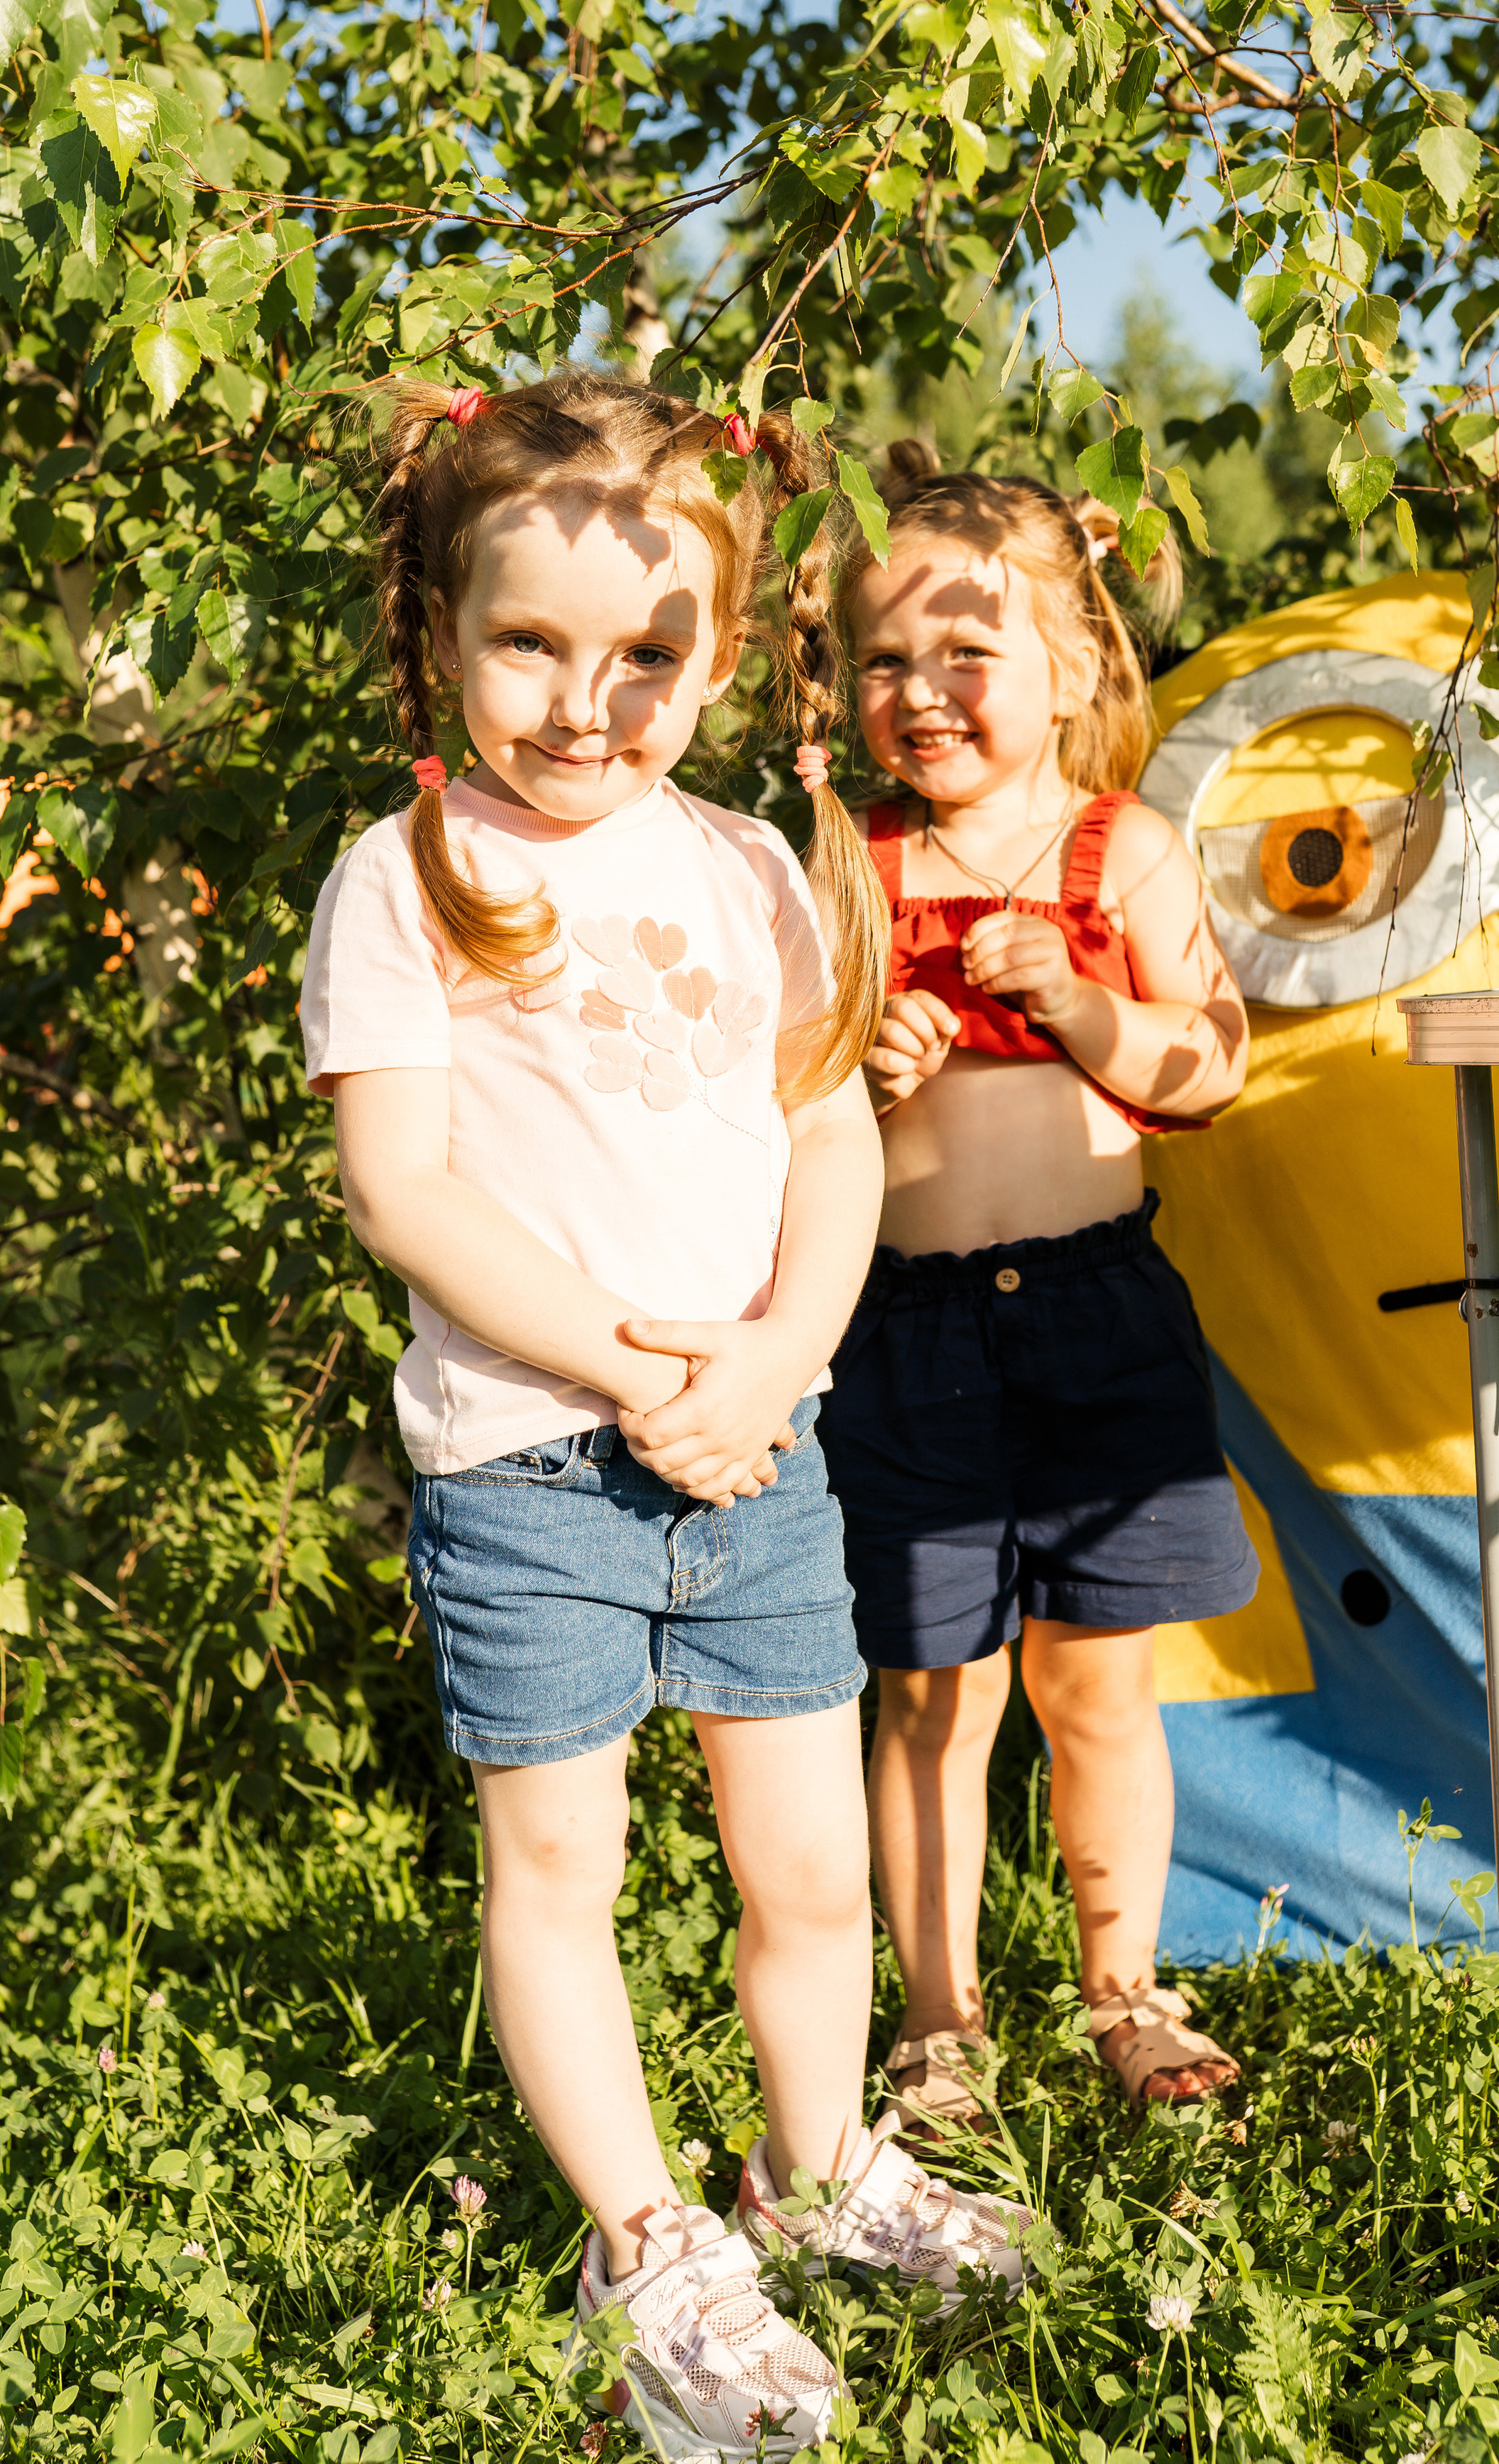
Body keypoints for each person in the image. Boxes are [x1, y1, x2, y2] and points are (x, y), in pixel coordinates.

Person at [300, 375, 1029, 2463]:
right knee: (564, 1863)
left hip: (761, 1446)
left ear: (724, 657)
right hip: (538, 1461)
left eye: (646, 655)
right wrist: (642, 1377)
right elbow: (406, 1191)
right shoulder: (411, 873)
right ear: (440, 627)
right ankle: (648, 2244)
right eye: (528, 641)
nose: (584, 700)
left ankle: (820, 2172)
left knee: (804, 1868)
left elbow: (827, 1144)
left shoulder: (753, 870)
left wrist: (784, 1359)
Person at [817, 444, 1258, 2133]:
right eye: (881, 661)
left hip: (1096, 1313)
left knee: (1098, 1682)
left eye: (962, 657)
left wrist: (1080, 1009)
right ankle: (937, 2024)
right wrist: (861, 1071)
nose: (918, 694)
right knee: (930, 1693)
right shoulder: (849, 865)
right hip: (909, 1329)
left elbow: (1211, 1065)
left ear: (1065, 673)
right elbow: (784, 1101)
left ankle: (1122, 1988)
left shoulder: (1116, 852)